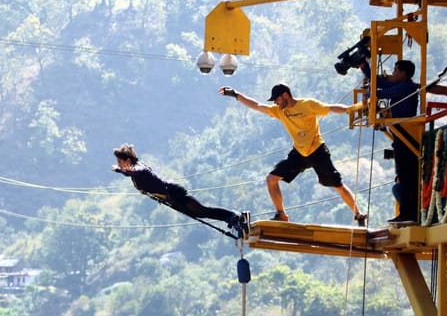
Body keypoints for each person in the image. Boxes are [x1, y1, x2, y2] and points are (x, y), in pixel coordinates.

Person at [218, 84, 367, 227]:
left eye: (277, 99)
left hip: (317, 151)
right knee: (271, 179)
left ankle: (358, 214)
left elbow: (331, 108)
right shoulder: (279, 111)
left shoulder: (307, 105)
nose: (275, 103)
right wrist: (236, 94)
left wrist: (352, 108)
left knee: (338, 186)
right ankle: (281, 214)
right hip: (299, 153)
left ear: (285, 95)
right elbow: (257, 105)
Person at [112, 143, 250, 239]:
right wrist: (120, 170)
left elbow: (137, 171)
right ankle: (233, 219)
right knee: (201, 214)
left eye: (120, 162)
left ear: (128, 160)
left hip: (174, 192)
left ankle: (236, 216)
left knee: (203, 211)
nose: (119, 164)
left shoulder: (139, 169)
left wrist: (122, 170)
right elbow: (130, 173)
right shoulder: (133, 171)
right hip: (171, 198)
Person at [360, 59, 420, 223]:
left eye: (395, 71)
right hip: (401, 135)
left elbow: (383, 92)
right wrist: (365, 68)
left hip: (407, 135)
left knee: (407, 177)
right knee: (403, 176)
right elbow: (381, 84)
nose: (393, 74)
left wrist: (370, 94)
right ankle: (406, 213)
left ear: (403, 73)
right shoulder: (402, 86)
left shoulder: (407, 87)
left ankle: (409, 213)